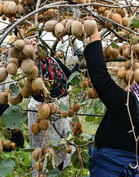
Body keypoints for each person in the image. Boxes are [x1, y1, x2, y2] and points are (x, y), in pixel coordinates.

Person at [83, 25, 139, 177]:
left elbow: (100, 76)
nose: (129, 82)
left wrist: (94, 35)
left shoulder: (126, 103)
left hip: (109, 169)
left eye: (135, 79)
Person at [27, 38, 81, 176]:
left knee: (61, 148)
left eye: (37, 42)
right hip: (39, 113)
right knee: (42, 153)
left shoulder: (54, 61)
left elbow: (69, 77)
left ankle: (57, 172)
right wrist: (29, 51)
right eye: (31, 43)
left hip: (59, 110)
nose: (35, 44)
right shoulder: (31, 66)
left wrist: (79, 63)